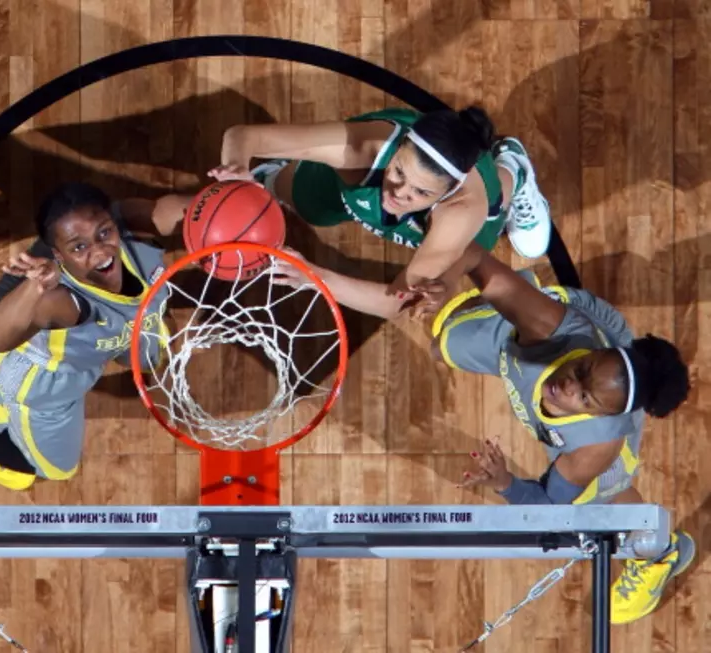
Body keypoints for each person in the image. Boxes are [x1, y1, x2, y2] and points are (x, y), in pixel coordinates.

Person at [420, 241, 692, 625]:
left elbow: (550, 508)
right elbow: (474, 255)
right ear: (590, 357)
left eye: (583, 396)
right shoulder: (553, 330)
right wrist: (445, 281)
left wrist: (505, 483)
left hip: (598, 416)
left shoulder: (598, 443)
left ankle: (659, 551)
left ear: (602, 412)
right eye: (581, 373)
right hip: (562, 329)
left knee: (603, 493)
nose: (566, 389)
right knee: (441, 340)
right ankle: (515, 309)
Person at [0, 183, 179, 490]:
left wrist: (230, 197)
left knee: (157, 353)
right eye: (79, 247)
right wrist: (36, 287)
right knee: (43, 471)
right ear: (58, 256)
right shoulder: (61, 302)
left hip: (89, 345)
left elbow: (186, 211)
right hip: (43, 381)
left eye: (103, 233)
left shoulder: (128, 227)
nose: (100, 250)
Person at [209, 106, 552, 317]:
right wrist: (237, 167)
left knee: (494, 205)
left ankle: (513, 169)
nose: (398, 193)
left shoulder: (461, 212)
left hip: (466, 215)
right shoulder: (365, 147)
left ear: (448, 192)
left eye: (420, 192)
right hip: (366, 173)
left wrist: (314, 276)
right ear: (400, 147)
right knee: (303, 201)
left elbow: (394, 304)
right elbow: (243, 135)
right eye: (400, 172)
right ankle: (273, 180)